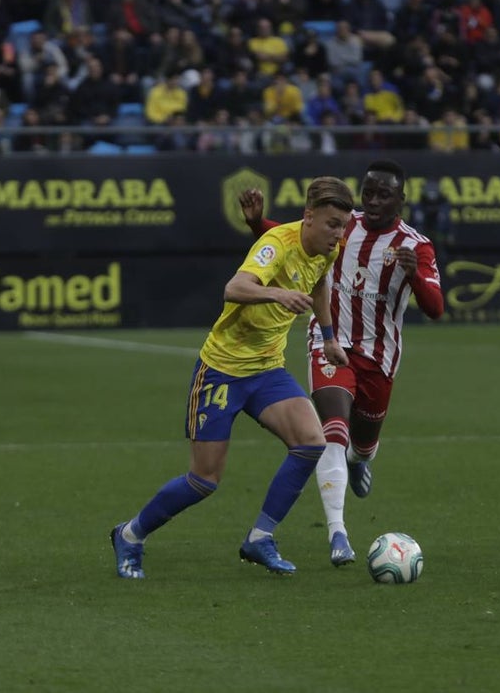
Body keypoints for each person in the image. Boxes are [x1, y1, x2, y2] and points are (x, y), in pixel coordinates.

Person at [110, 177, 355, 579]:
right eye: (331, 224)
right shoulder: (276, 243)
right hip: (222, 370)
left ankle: (260, 538)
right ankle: (131, 535)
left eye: (342, 225)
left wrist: (329, 338)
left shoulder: (329, 249)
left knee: (311, 442)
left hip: (267, 369)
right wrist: (277, 294)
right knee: (204, 480)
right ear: (308, 216)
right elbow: (234, 287)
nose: (338, 234)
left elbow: (320, 284)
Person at [239, 160, 444, 566]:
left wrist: (415, 277)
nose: (371, 201)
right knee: (332, 430)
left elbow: (436, 308)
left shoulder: (415, 246)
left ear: (400, 200)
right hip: (329, 342)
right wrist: (257, 223)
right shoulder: (341, 226)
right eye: (367, 192)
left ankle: (361, 459)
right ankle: (339, 535)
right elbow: (294, 242)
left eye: (383, 195)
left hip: (379, 359)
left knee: (362, 442)